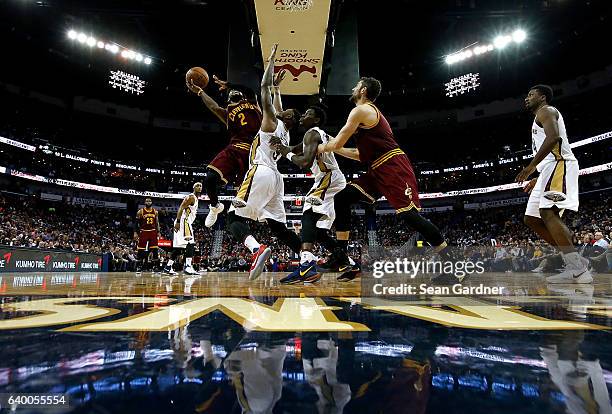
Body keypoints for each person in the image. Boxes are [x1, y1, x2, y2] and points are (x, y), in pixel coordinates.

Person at [317, 77, 451, 281]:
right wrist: (333, 147)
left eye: (356, 86)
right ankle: (341, 255)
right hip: (376, 168)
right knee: (342, 198)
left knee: (410, 216)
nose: (353, 88)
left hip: (392, 165)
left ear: (362, 90)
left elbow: (335, 145)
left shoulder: (361, 110)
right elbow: (360, 155)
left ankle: (454, 267)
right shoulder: (365, 115)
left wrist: (320, 147)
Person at [225, 44, 302, 281]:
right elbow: (276, 100)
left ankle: (256, 249)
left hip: (260, 172)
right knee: (278, 226)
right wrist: (278, 87)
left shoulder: (270, 124)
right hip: (277, 179)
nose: (283, 109)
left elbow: (263, 89)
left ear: (287, 118)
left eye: (286, 111)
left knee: (233, 219)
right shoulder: (285, 132)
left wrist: (270, 62)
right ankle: (307, 260)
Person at [516, 84, 591, 283]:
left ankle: (578, 268)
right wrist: (537, 176)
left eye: (531, 95)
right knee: (531, 219)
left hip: (560, 164)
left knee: (548, 213)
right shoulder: (538, 117)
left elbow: (554, 138)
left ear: (542, 97)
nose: (527, 98)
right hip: (547, 169)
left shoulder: (546, 110)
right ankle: (574, 261)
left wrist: (531, 167)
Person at [272, 106, 354, 284]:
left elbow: (304, 162)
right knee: (317, 232)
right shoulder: (312, 136)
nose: (302, 116)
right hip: (331, 178)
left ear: (316, 120)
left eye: (308, 114)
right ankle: (347, 261)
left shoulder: (312, 133)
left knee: (308, 214)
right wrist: (281, 146)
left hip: (328, 177)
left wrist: (285, 153)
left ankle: (306, 265)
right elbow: (295, 148)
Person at [186, 74, 262, 228]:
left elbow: (249, 90)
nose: (233, 94)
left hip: (254, 152)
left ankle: (258, 214)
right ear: (228, 100)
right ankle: (215, 206)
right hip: (234, 148)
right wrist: (201, 92)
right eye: (230, 94)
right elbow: (213, 107)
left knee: (246, 195)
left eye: (235, 93)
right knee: (210, 178)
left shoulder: (253, 104)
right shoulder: (228, 113)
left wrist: (230, 84)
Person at [163, 182, 202, 275]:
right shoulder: (191, 197)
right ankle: (188, 266)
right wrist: (178, 221)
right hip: (184, 221)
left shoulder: (196, 198)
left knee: (179, 248)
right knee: (191, 243)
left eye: (201, 186)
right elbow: (181, 207)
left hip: (184, 221)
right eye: (197, 185)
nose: (199, 187)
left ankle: (168, 267)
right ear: (193, 187)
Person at [134, 197, 160, 273]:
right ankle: (139, 266)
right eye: (147, 201)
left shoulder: (155, 212)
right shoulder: (140, 212)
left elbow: (157, 222)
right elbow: (136, 223)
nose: (148, 202)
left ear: (151, 202)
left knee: (155, 249)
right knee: (140, 249)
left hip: (153, 231)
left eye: (149, 201)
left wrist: (158, 231)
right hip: (143, 231)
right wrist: (135, 232)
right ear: (144, 202)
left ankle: (155, 267)